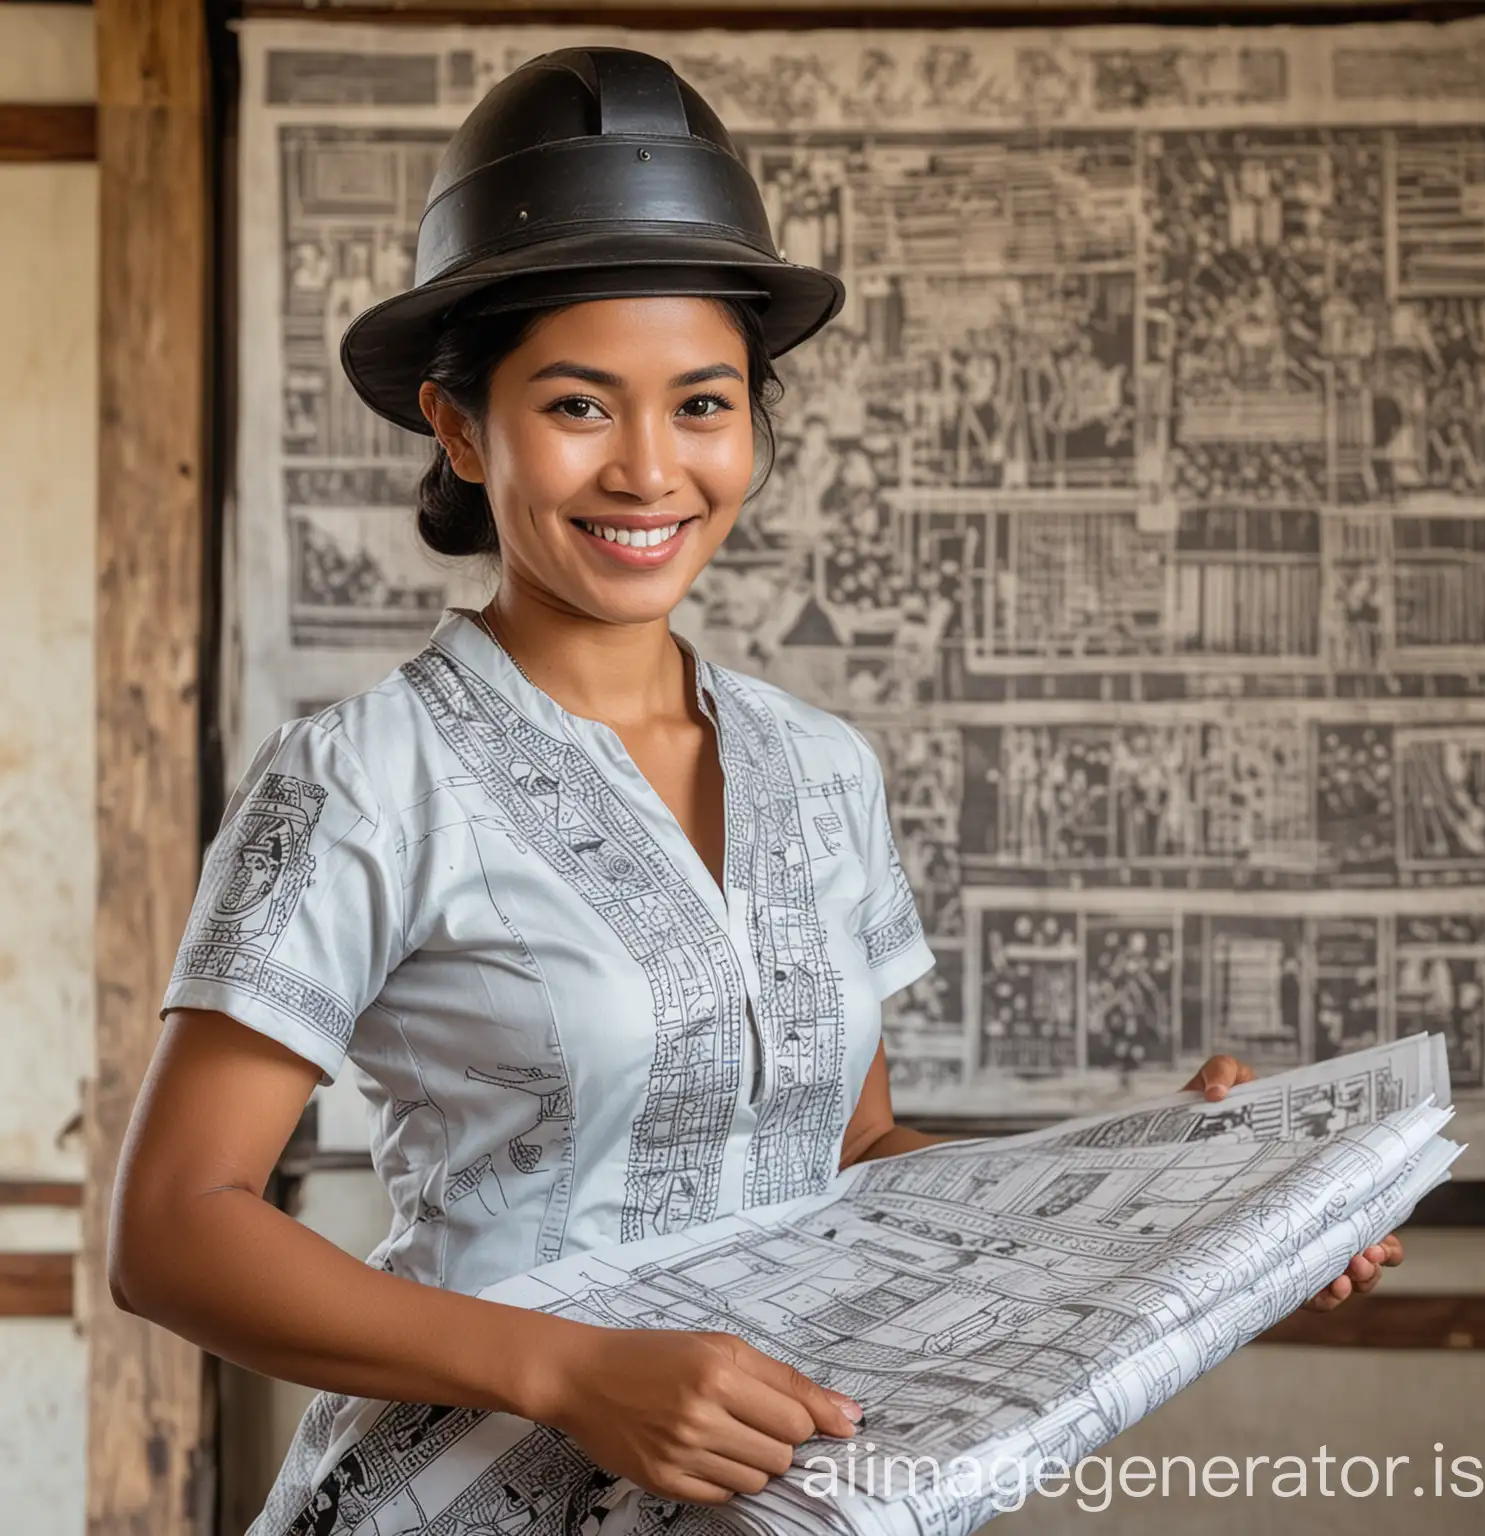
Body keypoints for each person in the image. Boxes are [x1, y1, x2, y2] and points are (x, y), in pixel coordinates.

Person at [106, 47, 1402, 1536]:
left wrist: (1170, 1188)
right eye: (580, 406)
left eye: (703, 403)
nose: (650, 470)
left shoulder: (819, 768)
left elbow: (848, 1161)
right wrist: (567, 1369)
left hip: (779, 1503)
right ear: (462, 428)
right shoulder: (361, 777)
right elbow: (173, 1232)